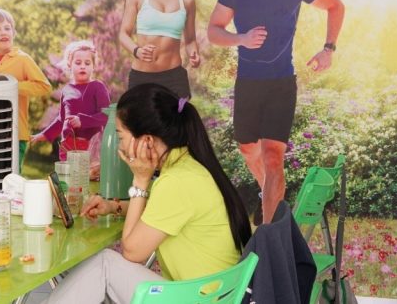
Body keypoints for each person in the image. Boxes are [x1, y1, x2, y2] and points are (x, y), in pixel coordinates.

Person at [47, 82, 250, 303]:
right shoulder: (188, 166)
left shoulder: (176, 182)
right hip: (207, 295)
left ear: (147, 141)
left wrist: (140, 181)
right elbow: (158, 208)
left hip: (196, 299)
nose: (120, 146)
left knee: (106, 265)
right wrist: (114, 206)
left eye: (121, 136)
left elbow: (132, 252)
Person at [207, 0, 344, 224]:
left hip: (282, 82)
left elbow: (336, 6)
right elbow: (214, 31)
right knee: (247, 148)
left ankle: (270, 234)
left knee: (272, 157)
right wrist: (241, 39)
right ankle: (267, 194)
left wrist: (328, 49)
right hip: (248, 82)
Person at [118, 0, 200, 99]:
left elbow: (190, 40)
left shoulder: (187, 1)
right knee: (139, 117)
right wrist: (137, 51)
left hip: (175, 79)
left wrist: (194, 53)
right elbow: (123, 34)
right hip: (142, 78)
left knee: (178, 116)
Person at [0, 8, 52, 169]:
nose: (3, 32)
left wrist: (13, 86)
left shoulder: (23, 59)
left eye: (7, 28)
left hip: (15, 133)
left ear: (13, 33)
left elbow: (44, 86)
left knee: (11, 180)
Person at [31, 39, 110, 161]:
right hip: (67, 146)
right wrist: (45, 134)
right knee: (67, 174)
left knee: (87, 174)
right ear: (69, 65)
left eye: (87, 63)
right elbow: (61, 119)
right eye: (78, 63)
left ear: (93, 66)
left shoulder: (98, 87)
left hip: (91, 147)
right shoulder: (67, 90)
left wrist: (82, 121)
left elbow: (105, 116)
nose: (83, 66)